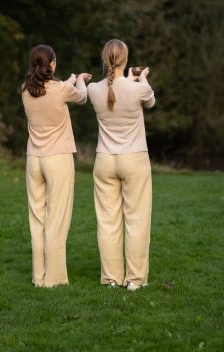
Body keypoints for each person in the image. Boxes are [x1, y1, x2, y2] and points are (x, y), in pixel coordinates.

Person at [87, 39, 155, 291]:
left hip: (104, 160)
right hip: (134, 159)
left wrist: (127, 78)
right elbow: (150, 101)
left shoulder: (93, 89)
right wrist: (142, 77)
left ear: (105, 60)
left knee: (107, 222)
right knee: (136, 220)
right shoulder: (138, 89)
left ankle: (111, 278)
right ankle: (135, 279)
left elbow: (112, 87)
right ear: (126, 60)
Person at [21, 44, 91, 287]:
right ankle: (55, 278)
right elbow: (81, 97)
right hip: (58, 159)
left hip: (34, 161)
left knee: (37, 219)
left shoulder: (25, 90)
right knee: (57, 219)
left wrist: (71, 79)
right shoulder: (62, 90)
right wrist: (80, 79)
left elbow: (54, 87)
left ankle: (38, 276)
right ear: (51, 64)